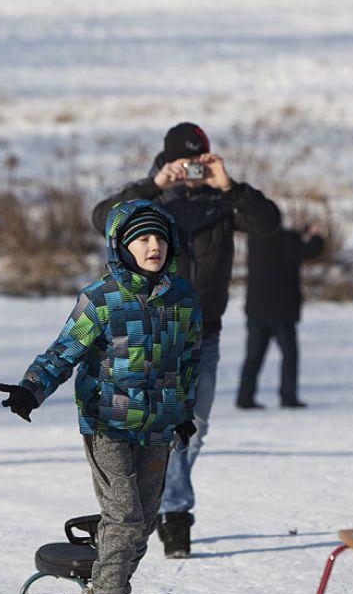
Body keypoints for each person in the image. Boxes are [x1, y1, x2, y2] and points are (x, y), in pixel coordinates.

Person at [0, 200, 201, 594]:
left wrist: (184, 411)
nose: (154, 247)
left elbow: (188, 361)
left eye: (160, 238)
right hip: (107, 422)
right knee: (126, 513)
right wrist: (31, 390)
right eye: (143, 239)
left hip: (160, 425)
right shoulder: (101, 299)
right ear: (122, 247)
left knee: (142, 523)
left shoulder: (182, 299)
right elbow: (63, 352)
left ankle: (102, 579)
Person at [91, 122, 280, 558]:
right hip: (156, 329)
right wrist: (154, 186)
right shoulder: (149, 200)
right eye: (185, 161)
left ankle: (157, 496)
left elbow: (269, 224)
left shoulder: (223, 199)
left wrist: (230, 186)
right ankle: (175, 514)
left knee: (196, 428)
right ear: (168, 159)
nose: (192, 169)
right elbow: (103, 218)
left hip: (205, 331)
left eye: (200, 160)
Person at [237, 223, 324, 409]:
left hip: (256, 309)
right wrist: (316, 236)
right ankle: (288, 397)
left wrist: (300, 232)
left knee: (253, 357)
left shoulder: (255, 238)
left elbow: (281, 235)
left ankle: (244, 397)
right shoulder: (289, 240)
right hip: (282, 312)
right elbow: (309, 251)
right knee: (289, 356)